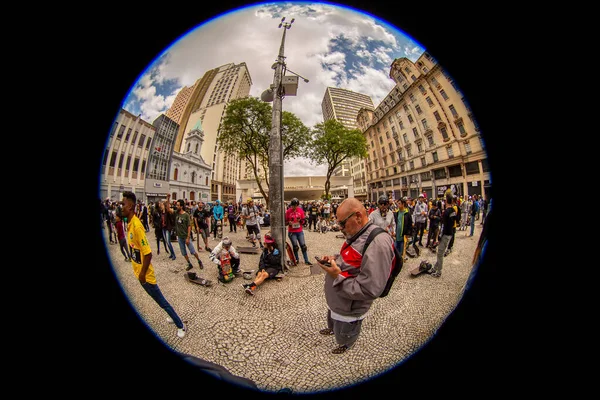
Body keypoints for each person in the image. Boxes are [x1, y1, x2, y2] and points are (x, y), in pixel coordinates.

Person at [315, 198, 395, 354]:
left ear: (358, 216)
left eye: (342, 223)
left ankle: (346, 343)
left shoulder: (378, 243)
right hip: (339, 301)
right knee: (335, 321)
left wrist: (337, 276)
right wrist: (334, 260)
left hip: (350, 307)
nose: (339, 227)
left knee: (346, 330)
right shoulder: (359, 233)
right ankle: (334, 329)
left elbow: (369, 289)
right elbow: (352, 258)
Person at [120, 191, 187, 338]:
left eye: (123, 204)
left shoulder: (137, 226)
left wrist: (143, 274)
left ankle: (180, 325)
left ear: (131, 206)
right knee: (161, 301)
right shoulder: (130, 223)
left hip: (146, 277)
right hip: (139, 273)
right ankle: (171, 315)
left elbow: (148, 253)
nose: (121, 207)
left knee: (161, 301)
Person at [426, 192, 458, 277]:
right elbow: (456, 220)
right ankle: (435, 268)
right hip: (450, 233)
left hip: (445, 234)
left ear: (446, 201)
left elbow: (443, 225)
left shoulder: (446, 212)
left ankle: (438, 272)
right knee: (441, 252)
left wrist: (439, 237)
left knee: (440, 253)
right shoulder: (453, 210)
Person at [175, 198, 205, 272]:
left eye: (178, 205)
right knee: (183, 252)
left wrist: (188, 237)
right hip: (180, 237)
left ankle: (199, 261)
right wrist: (168, 198)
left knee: (193, 251)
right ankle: (189, 263)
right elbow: (168, 209)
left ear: (181, 206)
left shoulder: (186, 215)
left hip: (186, 237)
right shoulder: (176, 213)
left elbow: (189, 226)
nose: (176, 206)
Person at [285, 198, 312, 265]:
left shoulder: (300, 210)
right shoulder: (288, 211)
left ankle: (306, 260)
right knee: (295, 247)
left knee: (303, 246)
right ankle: (296, 260)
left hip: (299, 231)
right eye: (293, 206)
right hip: (292, 232)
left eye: (296, 205)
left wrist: (300, 220)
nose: (294, 207)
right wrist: (289, 222)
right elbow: (285, 222)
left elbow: (304, 222)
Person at [395, 197, 413, 261]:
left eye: (399, 203)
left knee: (402, 250)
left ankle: (401, 262)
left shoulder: (407, 213)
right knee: (396, 249)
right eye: (397, 203)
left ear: (403, 204)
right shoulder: (396, 213)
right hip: (396, 235)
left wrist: (408, 233)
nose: (398, 205)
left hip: (403, 235)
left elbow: (410, 225)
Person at [162, 195, 177, 260]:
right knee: (166, 241)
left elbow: (168, 207)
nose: (161, 206)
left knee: (168, 241)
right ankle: (171, 253)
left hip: (168, 228)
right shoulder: (161, 212)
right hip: (163, 228)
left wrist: (168, 199)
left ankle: (173, 254)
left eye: (162, 205)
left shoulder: (167, 212)